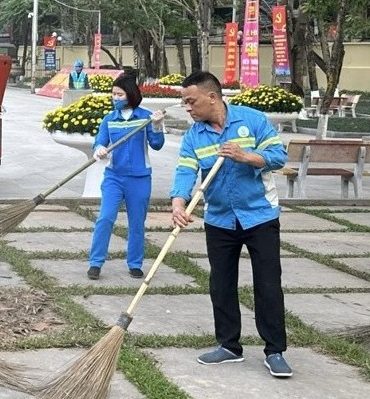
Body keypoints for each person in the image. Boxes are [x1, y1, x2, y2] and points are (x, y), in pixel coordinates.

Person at [169, 71, 292, 378]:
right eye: (184, 102)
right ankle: (228, 346)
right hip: (220, 218)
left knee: (267, 284)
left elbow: (278, 155)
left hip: (259, 215)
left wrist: (246, 156)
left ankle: (274, 350)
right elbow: (185, 170)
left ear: (213, 97)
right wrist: (178, 202)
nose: (187, 108)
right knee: (221, 283)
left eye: (191, 101)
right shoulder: (194, 136)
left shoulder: (252, 120)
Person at [88, 75, 165, 280]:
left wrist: (157, 125)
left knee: (137, 222)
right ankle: (95, 263)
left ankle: (135, 263)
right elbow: (98, 143)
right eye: (113, 94)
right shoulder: (109, 119)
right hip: (114, 177)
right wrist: (100, 149)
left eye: (119, 94)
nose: (115, 97)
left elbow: (157, 144)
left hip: (139, 178)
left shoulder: (145, 117)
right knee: (105, 218)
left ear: (130, 95)